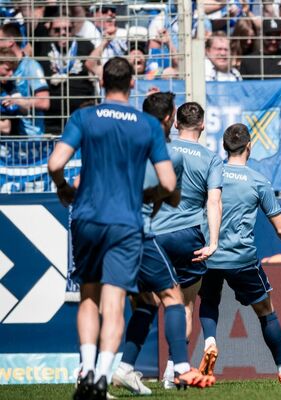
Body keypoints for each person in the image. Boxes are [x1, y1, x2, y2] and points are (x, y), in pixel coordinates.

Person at [46, 57, 177, 400]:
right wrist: (151, 194)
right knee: (115, 301)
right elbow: (168, 181)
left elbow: (55, 162)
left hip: (87, 217)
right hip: (125, 222)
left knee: (87, 294)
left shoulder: (85, 117)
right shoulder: (147, 125)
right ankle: (103, 374)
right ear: (132, 84)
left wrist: (62, 187)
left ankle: (86, 369)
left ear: (102, 82)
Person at [110, 92, 214, 395]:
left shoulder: (123, 146)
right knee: (172, 297)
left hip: (111, 231)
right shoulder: (171, 155)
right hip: (139, 232)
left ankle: (124, 367)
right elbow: (171, 194)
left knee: (140, 303)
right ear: (170, 118)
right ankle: (180, 367)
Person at [197, 123, 281, 382]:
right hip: (241, 258)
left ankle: (209, 342)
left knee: (208, 300)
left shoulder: (211, 173)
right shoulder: (258, 181)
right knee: (266, 310)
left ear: (224, 147)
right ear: (249, 147)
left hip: (209, 254)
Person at [149, 102, 223, 389]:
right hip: (189, 235)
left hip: (155, 234)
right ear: (202, 126)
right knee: (186, 306)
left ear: (176, 123)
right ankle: (173, 369)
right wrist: (213, 241)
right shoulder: (211, 158)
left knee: (146, 303)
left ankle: (118, 365)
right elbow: (213, 201)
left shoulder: (163, 149)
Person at [0, 23, 49, 135]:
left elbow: (44, 102)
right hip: (8, 142)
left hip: (30, 140)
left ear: (10, 41)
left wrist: (17, 101)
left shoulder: (30, 66)